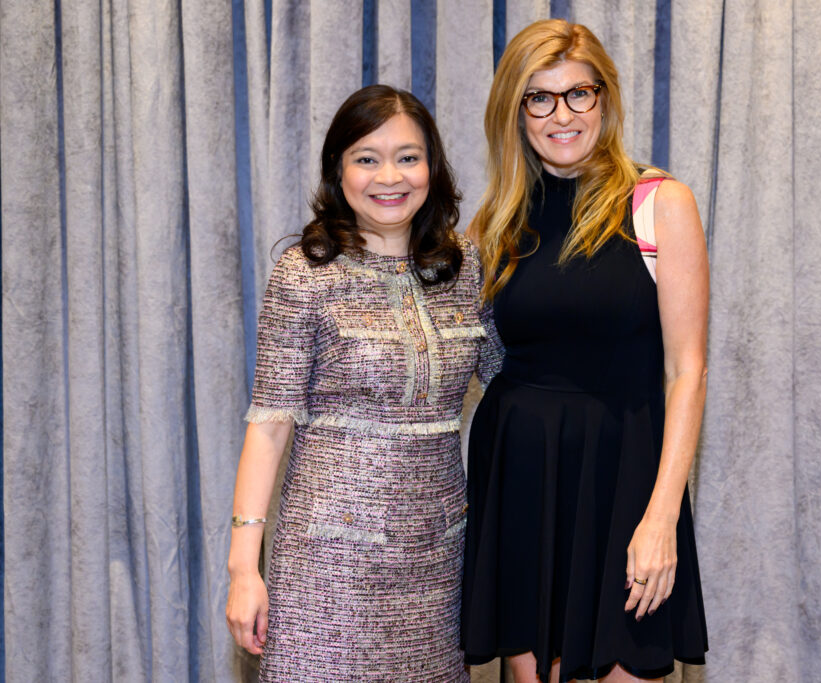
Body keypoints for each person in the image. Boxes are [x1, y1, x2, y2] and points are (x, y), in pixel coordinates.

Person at [225, 84, 502, 681]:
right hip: (327, 562)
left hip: (439, 559)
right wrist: (244, 569)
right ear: (338, 170)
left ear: (432, 166)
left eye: (408, 157)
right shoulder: (304, 273)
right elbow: (269, 424)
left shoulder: (465, 268)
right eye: (367, 158)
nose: (390, 177)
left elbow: (517, 381)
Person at [461, 19, 709, 682]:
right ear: (515, 111)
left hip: (626, 482)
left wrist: (661, 516)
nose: (562, 115)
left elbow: (687, 372)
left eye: (578, 93)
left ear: (605, 97)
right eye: (539, 98)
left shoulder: (660, 204)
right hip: (521, 483)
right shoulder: (494, 224)